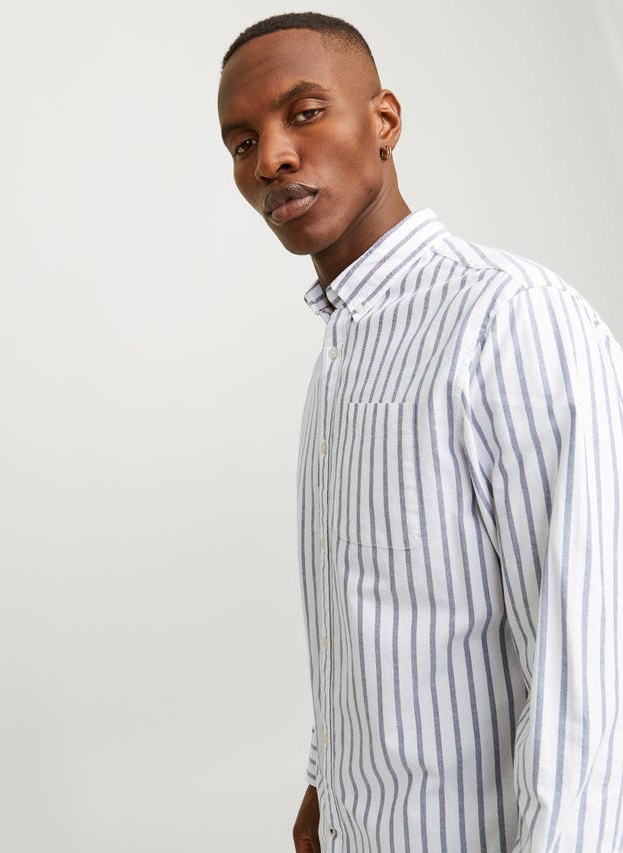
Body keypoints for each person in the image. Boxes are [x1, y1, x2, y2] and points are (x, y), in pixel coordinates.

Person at [218, 12, 623, 852]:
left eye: (304, 113)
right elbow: (379, 623)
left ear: (385, 121)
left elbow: (588, 669)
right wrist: (327, 780)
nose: (271, 160)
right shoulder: (342, 360)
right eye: (241, 142)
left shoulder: (509, 319)